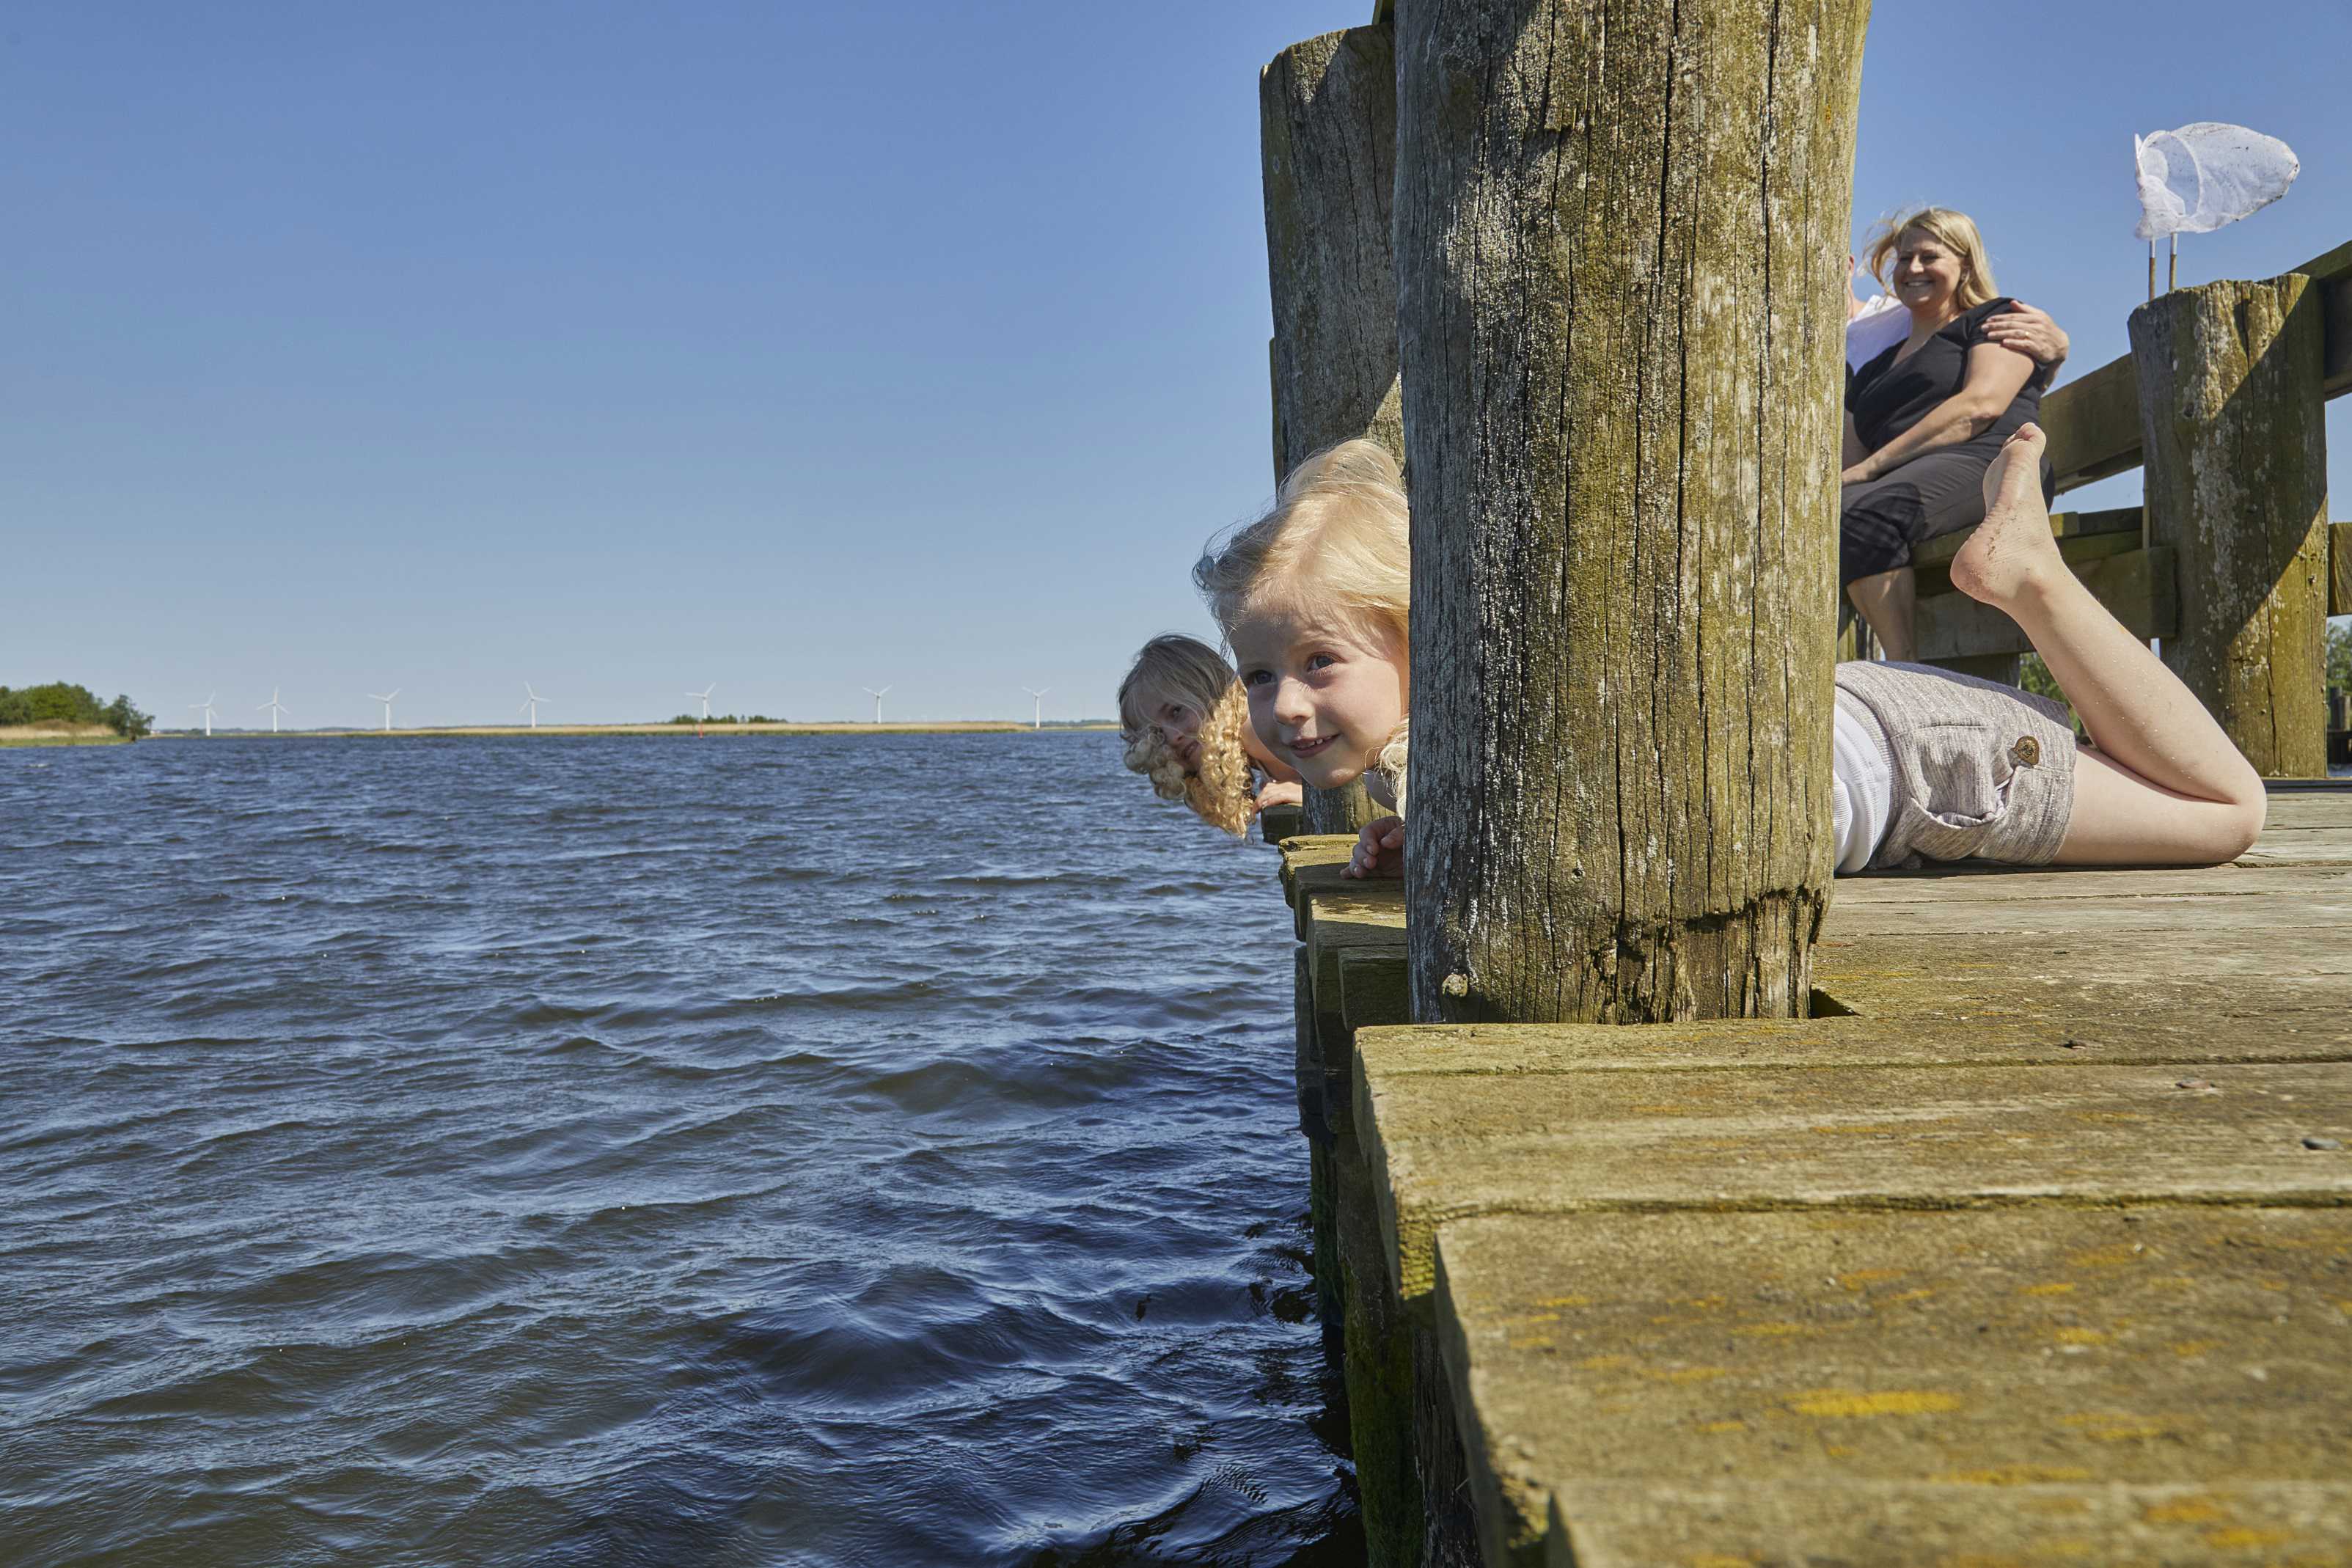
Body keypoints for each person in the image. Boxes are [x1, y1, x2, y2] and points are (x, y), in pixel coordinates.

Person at [1190, 431, 2263, 882]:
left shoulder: (1448, 751)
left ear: (1419, 636)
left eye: (1319, 661)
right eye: (1259, 672)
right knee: (2134, 767)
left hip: (1922, 767)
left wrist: (1434, 839)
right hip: (1852, 723)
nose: (1285, 705)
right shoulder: (1465, 739)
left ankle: (2032, 579)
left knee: (2224, 812)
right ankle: (2024, 576)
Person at [1842, 208, 2070, 661]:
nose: (1913, 268)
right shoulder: (1872, 369)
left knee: (1865, 511)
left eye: (1930, 256)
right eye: (1904, 258)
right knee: (1833, 511)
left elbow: (1980, 406)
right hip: (1906, 478)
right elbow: (1850, 460)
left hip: (1991, 463)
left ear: (1965, 264)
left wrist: (1872, 467)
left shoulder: (1996, 320)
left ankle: (1902, 671)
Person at [1117, 634, 1303, 836]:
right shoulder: (1254, 746)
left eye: (1177, 712)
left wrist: (1307, 794)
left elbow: (1333, 759)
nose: (1173, 737)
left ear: (1212, 690)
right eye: (1157, 735)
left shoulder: (1254, 733)